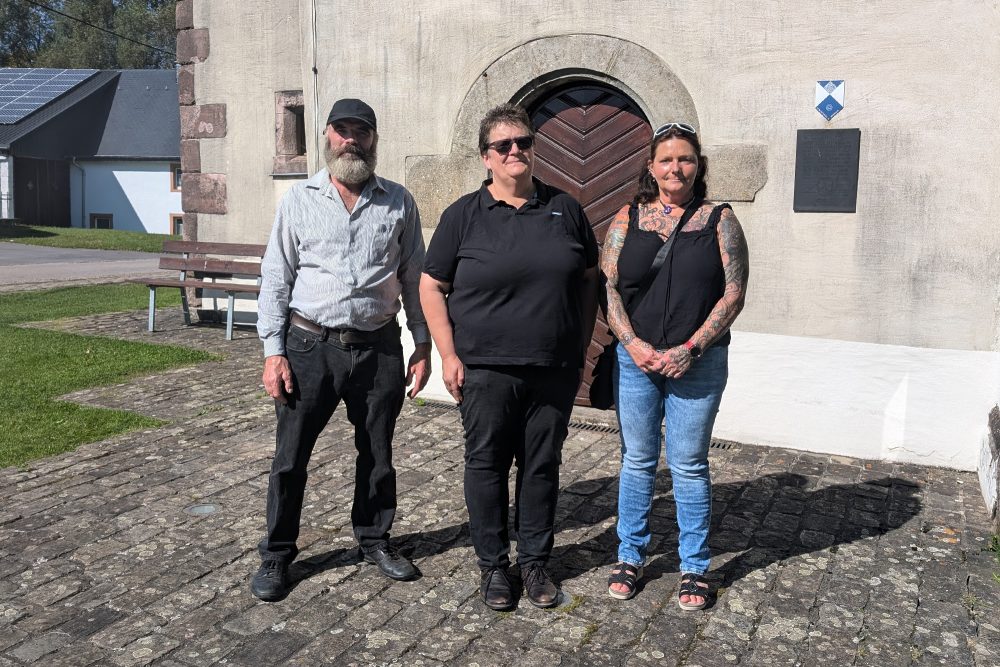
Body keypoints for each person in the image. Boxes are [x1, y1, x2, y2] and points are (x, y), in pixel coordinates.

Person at [251, 98, 431, 602]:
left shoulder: (398, 201)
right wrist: (273, 351)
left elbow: (413, 277)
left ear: (374, 140)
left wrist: (421, 343)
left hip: (378, 349)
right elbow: (276, 278)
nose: (351, 140)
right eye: (342, 130)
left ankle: (374, 539)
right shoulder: (298, 200)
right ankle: (278, 553)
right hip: (309, 346)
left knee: (377, 453)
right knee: (290, 457)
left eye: (362, 132)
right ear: (326, 136)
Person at [419, 103, 598, 611]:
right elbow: (431, 286)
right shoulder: (462, 216)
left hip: (552, 369)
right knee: (487, 466)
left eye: (524, 142)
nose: (516, 150)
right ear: (486, 158)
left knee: (541, 467)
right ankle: (494, 567)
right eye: (504, 145)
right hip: (486, 369)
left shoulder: (566, 209)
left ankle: (535, 563)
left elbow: (588, 281)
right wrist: (447, 354)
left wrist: (579, 344)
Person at [602, 122, 749, 610]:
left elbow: (733, 293)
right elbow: (609, 288)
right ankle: (630, 555)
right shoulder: (626, 218)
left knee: (687, 465)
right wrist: (633, 344)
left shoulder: (720, 219)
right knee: (637, 460)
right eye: (666, 159)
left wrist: (692, 347)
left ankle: (694, 566)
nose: (675, 167)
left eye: (685, 159)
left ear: (698, 166)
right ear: (651, 166)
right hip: (636, 360)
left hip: (698, 363)